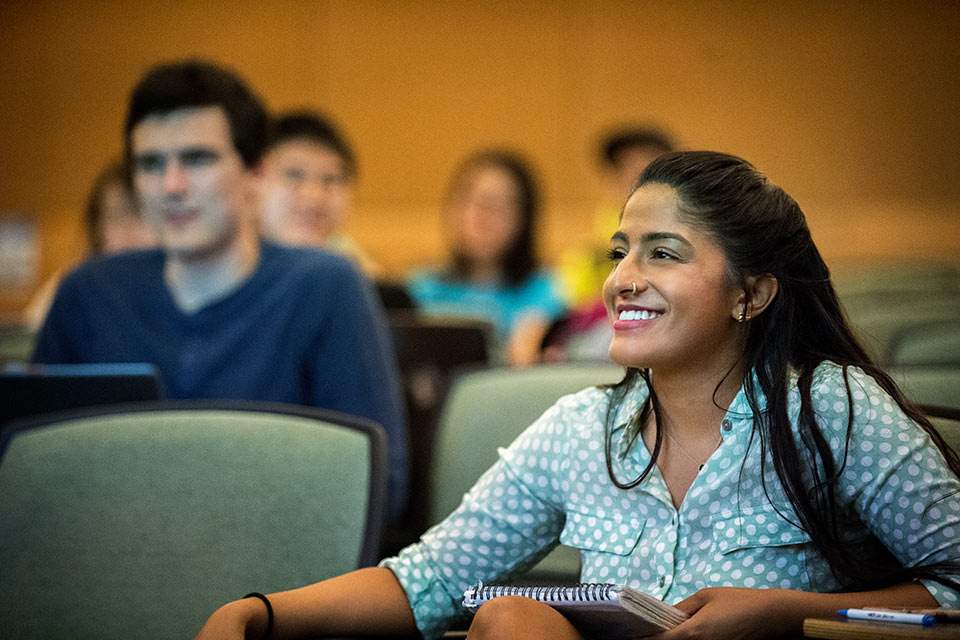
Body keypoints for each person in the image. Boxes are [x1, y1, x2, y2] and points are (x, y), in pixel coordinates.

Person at [196, 151, 960, 640]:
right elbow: (429, 580)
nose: (622, 278)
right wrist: (260, 613)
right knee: (510, 616)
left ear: (752, 294)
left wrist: (787, 614)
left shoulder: (835, 410)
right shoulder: (580, 430)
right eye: (619, 252)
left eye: (663, 254)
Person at [31, 60, 409, 522]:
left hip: (276, 580)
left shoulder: (325, 286)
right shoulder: (88, 293)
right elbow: (29, 473)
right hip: (105, 565)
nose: (172, 186)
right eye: (150, 164)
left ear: (256, 173)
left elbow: (378, 485)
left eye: (197, 159)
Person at [406, 149, 566, 366]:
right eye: (469, 201)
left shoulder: (547, 295)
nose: (479, 216)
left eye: (496, 205)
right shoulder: (418, 289)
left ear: (524, 217)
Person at [546, 127, 675, 362]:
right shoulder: (588, 251)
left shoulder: (682, 240)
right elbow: (569, 310)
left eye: (646, 167)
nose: (635, 176)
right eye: (626, 168)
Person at [21, 159, 157, 330]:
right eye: (116, 215)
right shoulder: (70, 287)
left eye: (141, 213)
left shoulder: (183, 285)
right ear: (97, 227)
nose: (130, 228)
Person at [257, 110, 380, 275]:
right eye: (294, 175)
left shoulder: (359, 275)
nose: (314, 196)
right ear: (252, 181)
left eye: (330, 179)